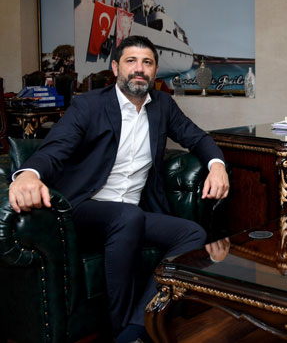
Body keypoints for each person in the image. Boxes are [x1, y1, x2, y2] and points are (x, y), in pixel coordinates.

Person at [8, 35, 229, 343]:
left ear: (155, 71)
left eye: (147, 62)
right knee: (127, 217)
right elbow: (55, 147)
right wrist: (28, 175)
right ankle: (119, 330)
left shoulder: (163, 105)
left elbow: (198, 138)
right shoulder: (89, 105)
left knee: (192, 234)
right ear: (115, 68)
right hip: (83, 209)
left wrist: (217, 166)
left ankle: (136, 328)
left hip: (131, 214)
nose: (139, 69)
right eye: (131, 61)